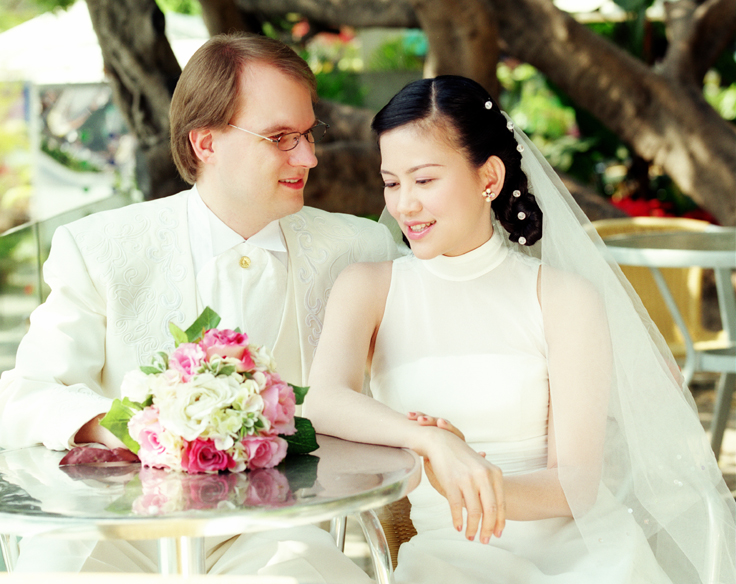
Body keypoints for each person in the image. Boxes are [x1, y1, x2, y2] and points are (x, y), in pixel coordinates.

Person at [0, 32, 397, 580]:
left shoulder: (360, 249)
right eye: (280, 137)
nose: (309, 157)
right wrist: (127, 427)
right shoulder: (98, 247)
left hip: (278, 534)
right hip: (116, 532)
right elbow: (18, 397)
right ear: (205, 143)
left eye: (307, 134)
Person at [306, 75, 736, 583]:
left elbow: (575, 485)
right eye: (392, 182)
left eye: (423, 181)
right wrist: (435, 444)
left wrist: (474, 483)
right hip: (452, 559)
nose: (404, 205)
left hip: (582, 557)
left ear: (489, 177)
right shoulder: (368, 287)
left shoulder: (563, 298)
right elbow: (323, 401)